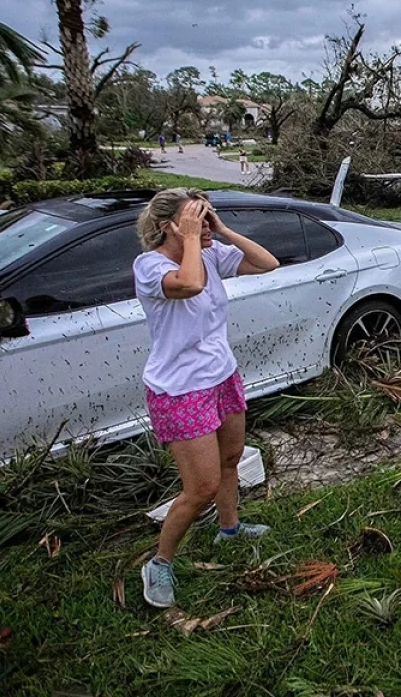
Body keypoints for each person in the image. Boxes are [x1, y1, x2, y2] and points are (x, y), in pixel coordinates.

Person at [133, 188, 279, 608]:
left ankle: (229, 528)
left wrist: (222, 229)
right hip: (180, 390)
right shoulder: (149, 266)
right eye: (194, 217)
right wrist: (194, 239)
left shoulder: (211, 254)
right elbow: (190, 284)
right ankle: (159, 563)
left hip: (221, 376)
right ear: (168, 227)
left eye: (205, 214)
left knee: (232, 459)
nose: (203, 222)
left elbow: (267, 263)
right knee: (200, 488)